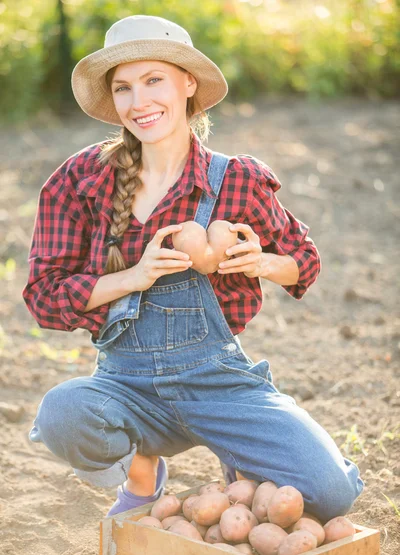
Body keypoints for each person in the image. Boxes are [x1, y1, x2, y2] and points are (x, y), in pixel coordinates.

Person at [22, 14, 364, 520]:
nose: (139, 103)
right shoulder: (81, 179)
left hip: (220, 384)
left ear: (188, 84)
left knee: (330, 493)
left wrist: (262, 261)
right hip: (127, 387)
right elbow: (44, 297)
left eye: (153, 80)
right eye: (123, 88)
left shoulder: (237, 179)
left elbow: (305, 262)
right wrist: (134, 276)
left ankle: (242, 461)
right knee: (62, 413)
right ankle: (143, 476)